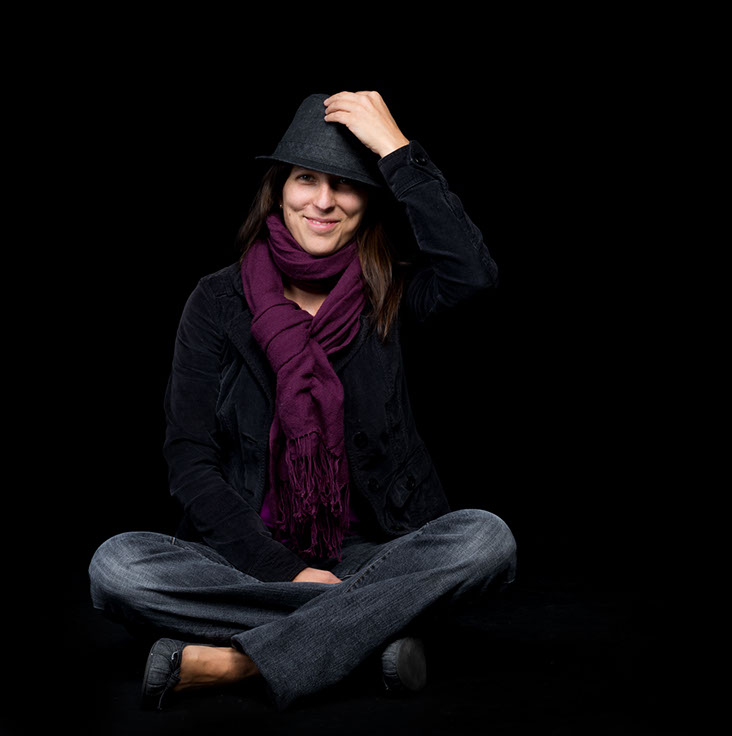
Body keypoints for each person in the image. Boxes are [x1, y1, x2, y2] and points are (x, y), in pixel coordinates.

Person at [88, 90, 517, 712]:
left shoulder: (391, 291)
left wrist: (396, 149)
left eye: (346, 185)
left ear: (369, 199)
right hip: (246, 553)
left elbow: (473, 275)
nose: (322, 201)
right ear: (279, 190)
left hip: (371, 552)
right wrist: (289, 572)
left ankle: (239, 663)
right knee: (119, 566)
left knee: (484, 540)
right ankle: (368, 634)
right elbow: (189, 460)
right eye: (306, 179)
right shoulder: (216, 301)